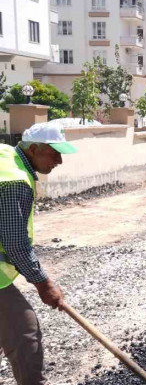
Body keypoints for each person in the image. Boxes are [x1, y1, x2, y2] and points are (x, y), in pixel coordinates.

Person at [1, 123, 77, 384]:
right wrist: (44, 284)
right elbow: (15, 243)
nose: (59, 160)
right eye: (54, 153)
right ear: (33, 149)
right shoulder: (15, 180)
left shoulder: (5, 156)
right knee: (25, 333)